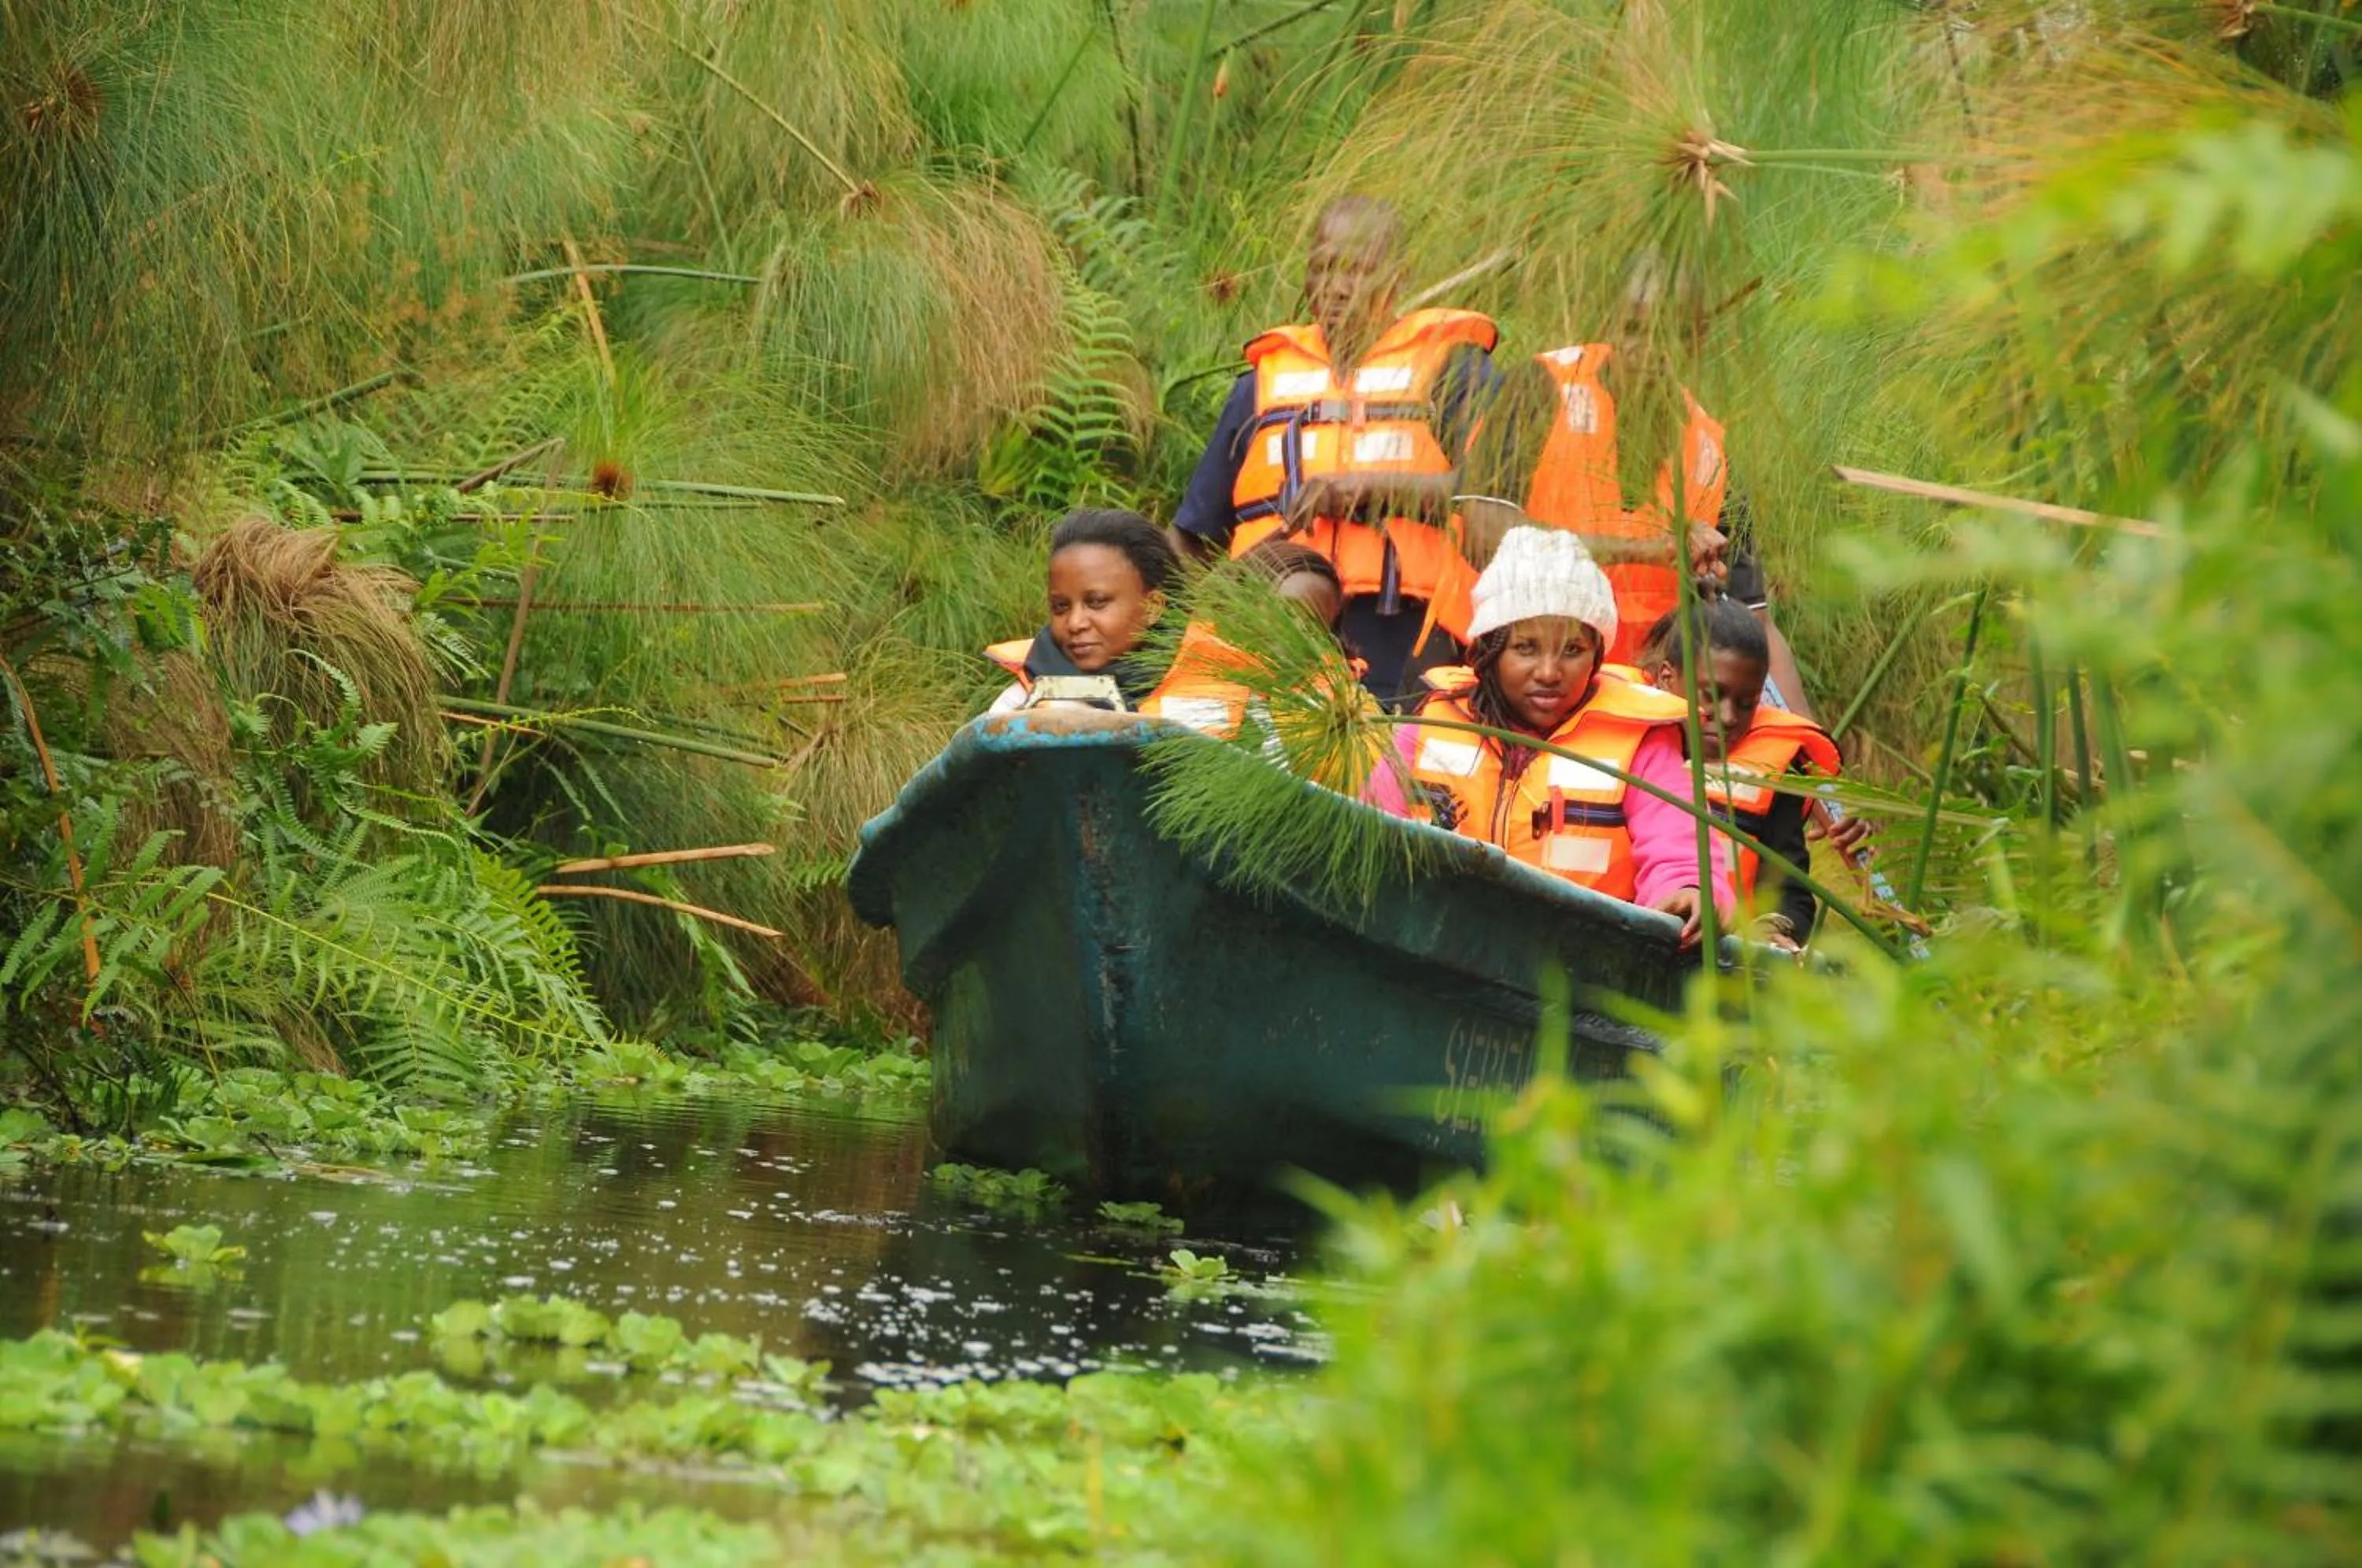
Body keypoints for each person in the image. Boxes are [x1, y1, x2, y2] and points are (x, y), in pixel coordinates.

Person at [1169, 195, 1501, 706]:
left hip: (1409, 639)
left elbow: (1495, 498)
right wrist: (1181, 626)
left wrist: (1369, 489)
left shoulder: (1455, 373)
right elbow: (1191, 538)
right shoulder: (1258, 388)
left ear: (1399, 276)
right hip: (1273, 634)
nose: (1337, 287)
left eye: (1358, 270)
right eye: (1323, 268)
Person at [1459, 258, 1817, 716]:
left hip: (1645, 702)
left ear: (1698, 342)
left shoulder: (1710, 445)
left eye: (1671, 335)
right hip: (1524, 686)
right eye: (1632, 330)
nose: (1648, 351)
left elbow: (1756, 619)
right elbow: (1484, 534)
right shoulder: (1540, 387)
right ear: (1607, 325)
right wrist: (1649, 551)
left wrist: (1811, 744)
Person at [1379, 527, 1733, 949]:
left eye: (1572, 650)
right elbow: (1367, 832)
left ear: (1597, 654)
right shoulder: (1430, 724)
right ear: (1489, 653)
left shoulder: (1641, 742)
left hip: (1581, 960)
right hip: (1433, 942)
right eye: (1526, 648)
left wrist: (1690, 887)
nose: (1549, 672)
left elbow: (1680, 843)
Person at [1635, 598, 1846, 952]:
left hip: (1731, 960)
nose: (1729, 716)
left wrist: (1773, 930)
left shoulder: (1775, 771)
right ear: (1667, 678)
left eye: (1747, 703)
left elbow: (1790, 893)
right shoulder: (1632, 746)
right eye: (1711, 696)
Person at [984, 508, 1180, 715]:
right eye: (1061, 606)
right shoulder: (1019, 704)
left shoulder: (1200, 689)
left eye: (1096, 602)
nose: (1075, 623)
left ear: (1153, 607)